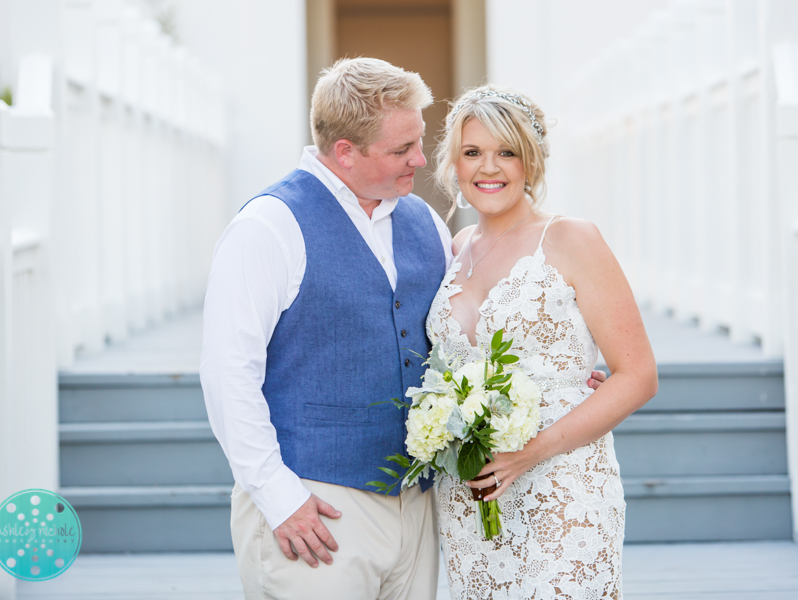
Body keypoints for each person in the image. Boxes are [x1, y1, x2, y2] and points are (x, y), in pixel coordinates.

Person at [201, 57, 451, 600]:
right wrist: (277, 495)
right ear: (345, 152)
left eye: (418, 140)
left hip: (418, 509)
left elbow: (461, 333)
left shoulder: (426, 222)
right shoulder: (268, 227)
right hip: (313, 508)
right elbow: (227, 373)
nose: (421, 158)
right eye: (401, 148)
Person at [428, 85, 658, 599]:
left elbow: (639, 376)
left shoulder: (573, 239)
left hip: (563, 483)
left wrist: (526, 454)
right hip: (471, 495)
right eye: (473, 153)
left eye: (506, 151)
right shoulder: (456, 249)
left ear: (530, 161)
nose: (490, 168)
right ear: (456, 165)